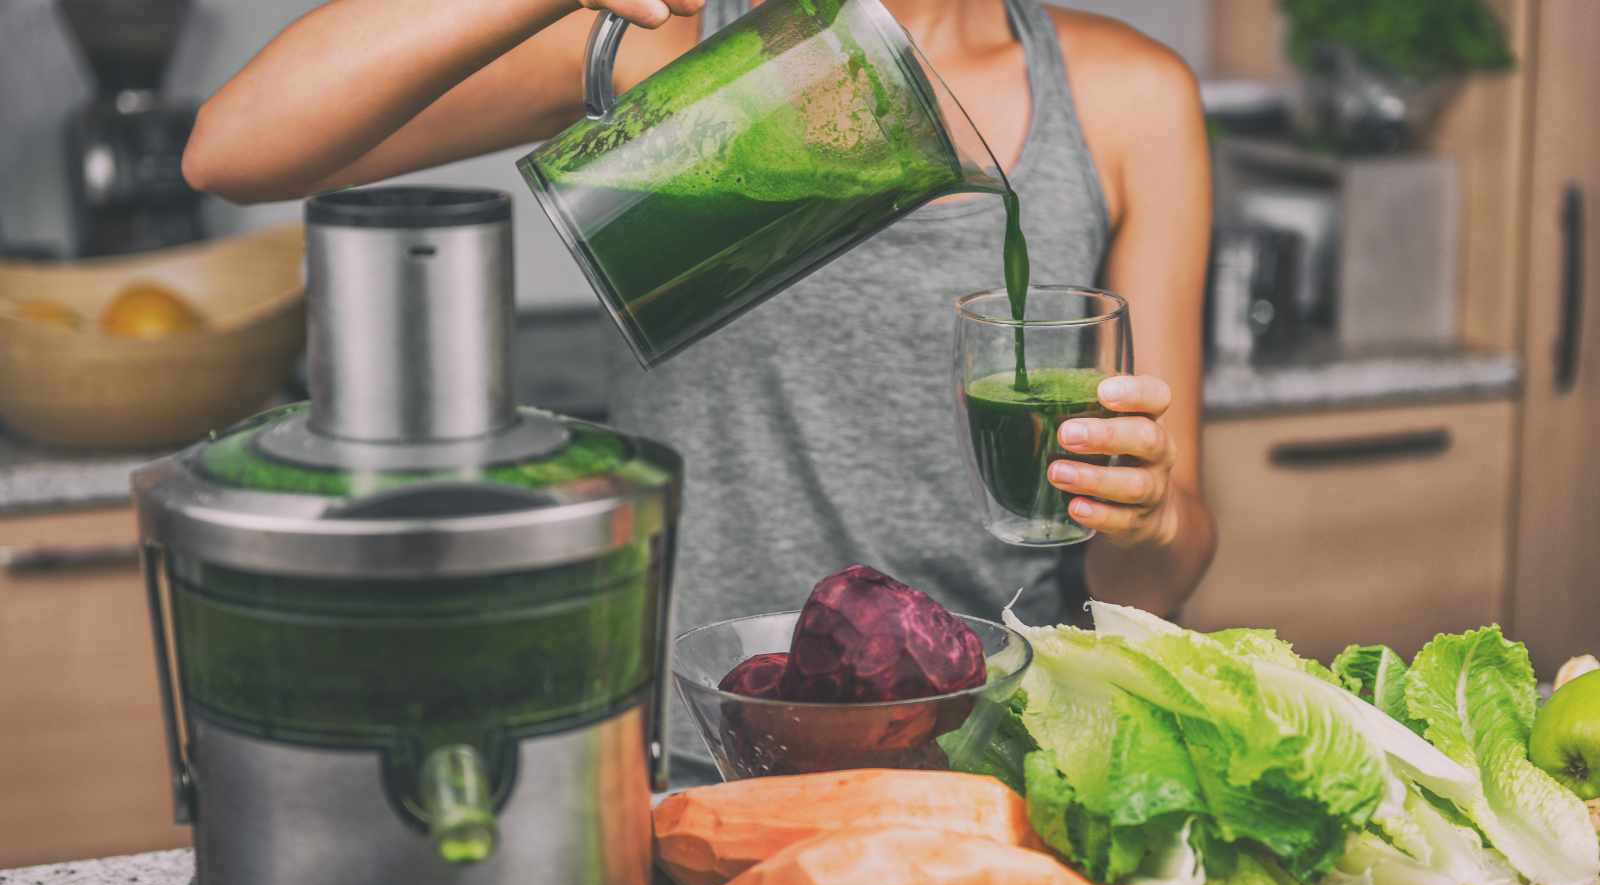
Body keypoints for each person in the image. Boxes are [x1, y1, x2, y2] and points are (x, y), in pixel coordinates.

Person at [183, 0, 1215, 650]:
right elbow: (235, 152)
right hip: (695, 752)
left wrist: (1150, 517)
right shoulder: (666, 41)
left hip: (987, 750)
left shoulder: (1126, 99)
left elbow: (1156, 581)